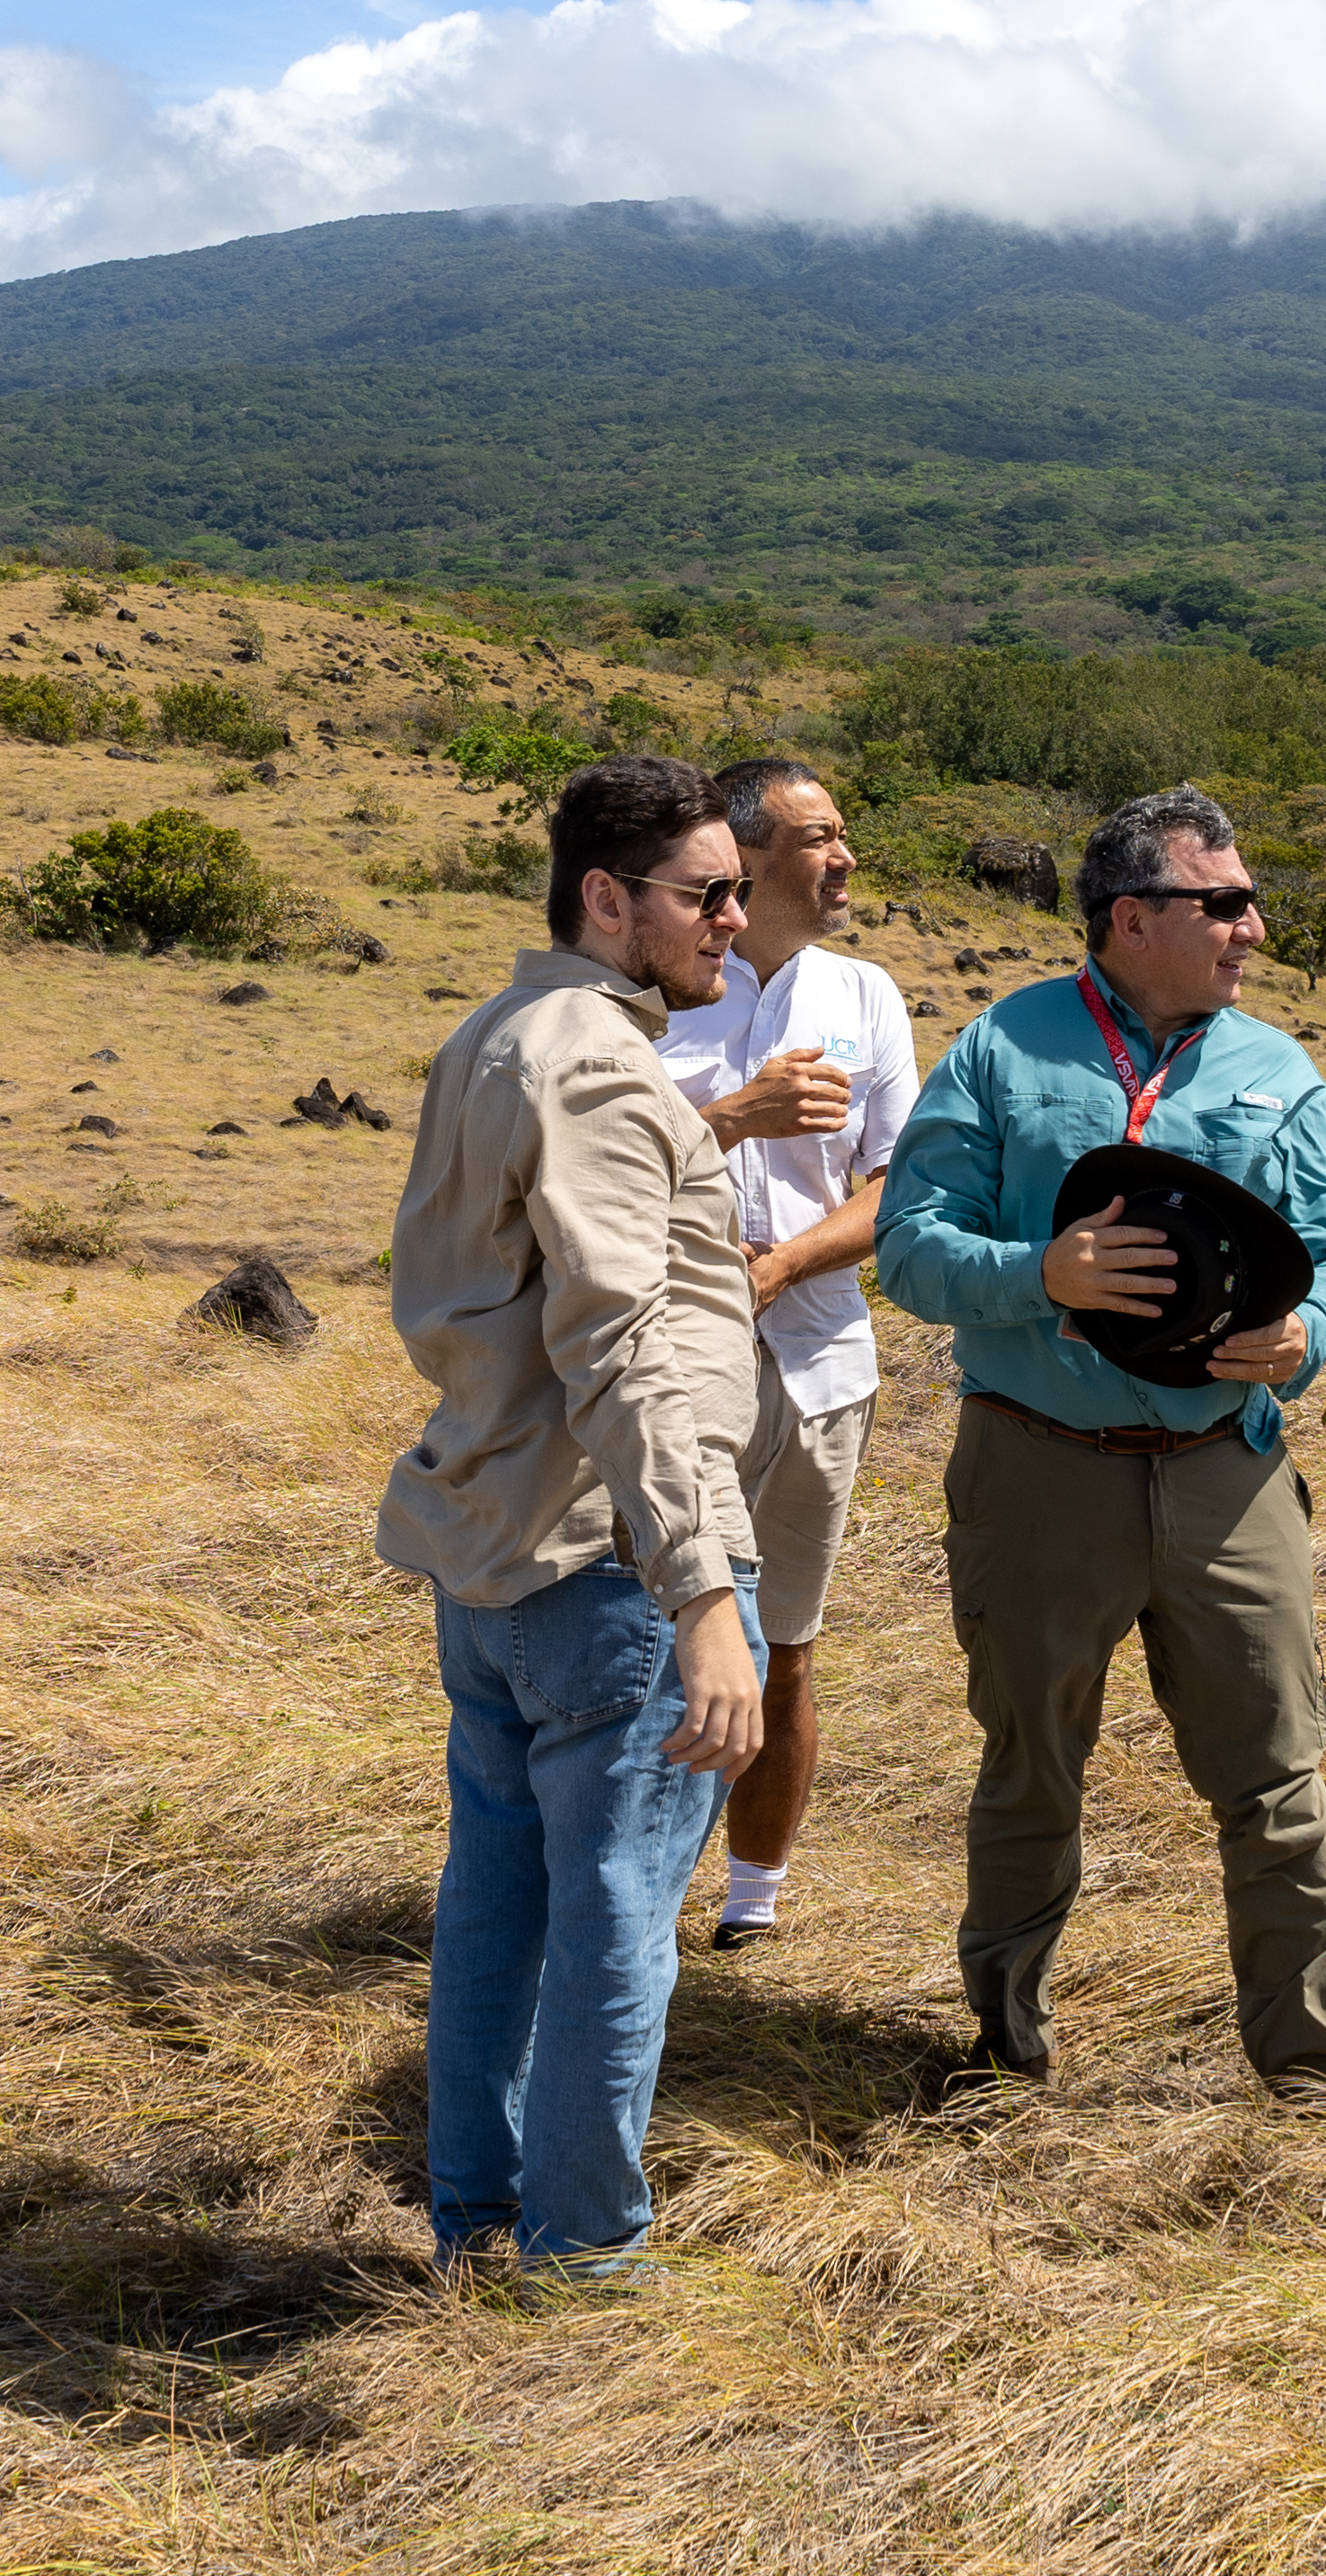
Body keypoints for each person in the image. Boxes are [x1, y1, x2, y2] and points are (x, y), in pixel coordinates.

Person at [872, 784, 1326, 2112]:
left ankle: (1319, 2070)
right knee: (1031, 1768)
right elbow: (908, 1248)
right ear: (1131, 916)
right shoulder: (1001, 1050)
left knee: (1277, 1778)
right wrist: (1040, 1273)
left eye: (1248, 902)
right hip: (1036, 1465)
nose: (1254, 929)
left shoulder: (1280, 1066)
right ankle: (1004, 2052)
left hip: (1228, 1473)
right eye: (1223, 903)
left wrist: (1306, 1333)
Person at [378, 753, 768, 2278]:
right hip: (606, 1560)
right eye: (706, 892)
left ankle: (475, 2217)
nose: (733, 920)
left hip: (489, 1549)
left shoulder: (496, 1035)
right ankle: (584, 2252)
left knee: (498, 1895)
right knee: (614, 1908)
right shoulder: (602, 1066)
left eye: (738, 888)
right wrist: (705, 1591)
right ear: (607, 897)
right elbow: (619, 1340)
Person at [652, 758, 918, 1954]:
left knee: (787, 1643)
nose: (847, 858)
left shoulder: (865, 996)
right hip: (663, 1371)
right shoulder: (648, 993)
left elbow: (900, 1182)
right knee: (655, 1635)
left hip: (819, 1367)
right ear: (745, 859)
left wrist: (787, 1262)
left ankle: (750, 1903)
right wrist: (729, 1120)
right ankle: (633, 1894)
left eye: (845, 835)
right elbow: (582, 1159)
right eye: (822, 838)